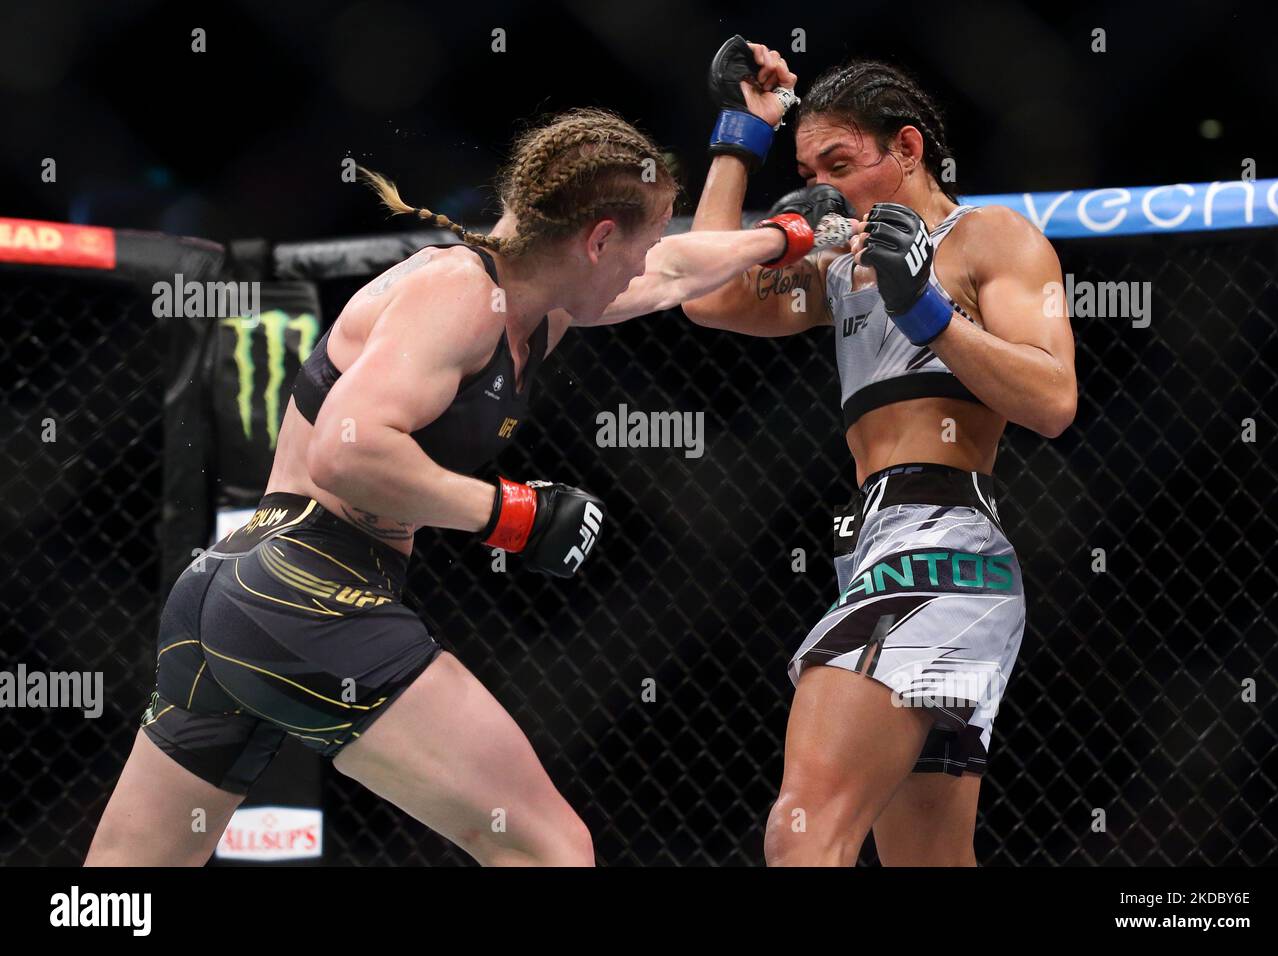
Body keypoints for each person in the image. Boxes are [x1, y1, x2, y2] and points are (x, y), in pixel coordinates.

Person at [85, 104, 836, 867]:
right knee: (550, 848)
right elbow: (346, 452)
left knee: (124, 880)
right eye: (636, 246)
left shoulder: (540, 306)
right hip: (307, 587)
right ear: (598, 238)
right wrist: (511, 513)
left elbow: (676, 271)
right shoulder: (460, 294)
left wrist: (787, 235)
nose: (642, 265)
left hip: (239, 592)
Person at [683, 41, 1077, 865]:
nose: (825, 188)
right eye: (809, 170)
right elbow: (708, 293)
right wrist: (739, 134)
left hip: (939, 548)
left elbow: (1051, 401)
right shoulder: (841, 265)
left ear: (906, 150)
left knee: (802, 833)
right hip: (874, 546)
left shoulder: (991, 237)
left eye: (842, 163)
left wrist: (926, 308)